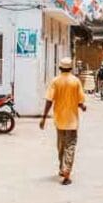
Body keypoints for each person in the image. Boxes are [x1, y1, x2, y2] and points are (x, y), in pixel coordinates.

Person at [39, 57, 86, 185]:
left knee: (61, 146)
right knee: (70, 146)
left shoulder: (55, 81)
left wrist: (43, 117)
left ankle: (62, 168)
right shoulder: (75, 81)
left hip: (59, 120)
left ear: (60, 68)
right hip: (72, 121)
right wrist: (82, 107)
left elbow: (49, 100)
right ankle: (66, 171)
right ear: (71, 68)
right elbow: (81, 101)